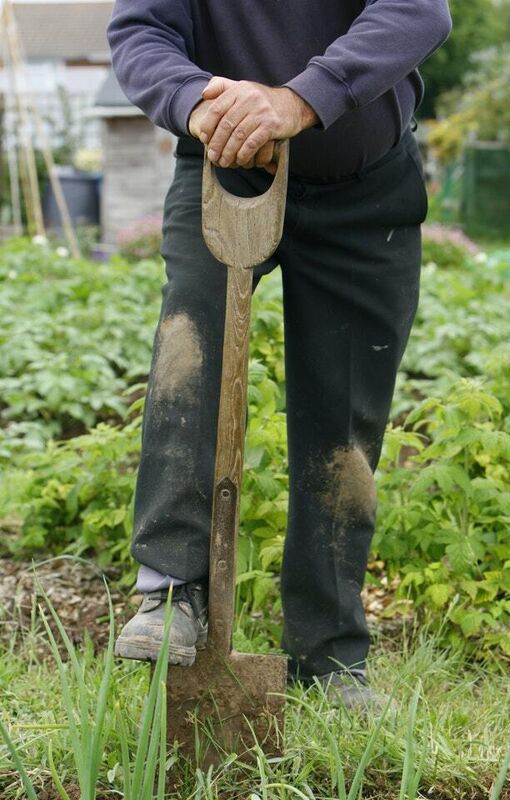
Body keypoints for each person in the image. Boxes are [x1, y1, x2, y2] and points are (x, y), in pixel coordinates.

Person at [107, 0, 452, 709]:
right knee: (189, 357)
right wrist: (192, 100)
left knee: (344, 419)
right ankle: (169, 593)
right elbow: (141, 30)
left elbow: (418, 11)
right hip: (223, 166)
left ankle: (327, 656)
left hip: (365, 185)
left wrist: (298, 100)